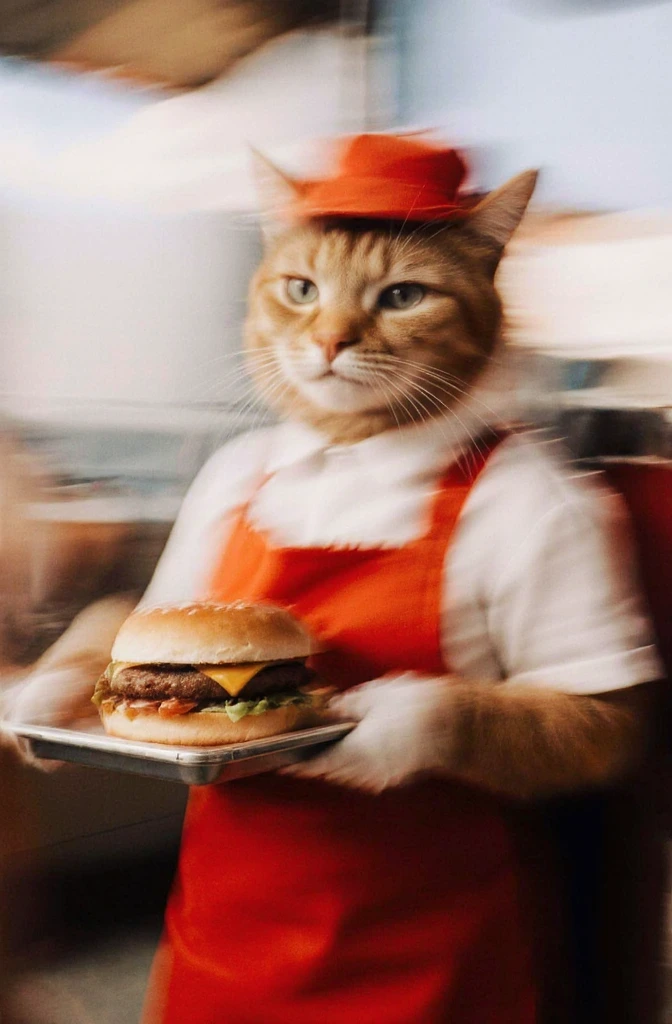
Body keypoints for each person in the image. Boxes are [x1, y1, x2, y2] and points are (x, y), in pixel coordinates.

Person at [6, 134, 661, 1023]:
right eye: (300, 288)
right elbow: (152, 629)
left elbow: (605, 730)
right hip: (224, 937)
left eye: (401, 296)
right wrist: (77, 677)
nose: (332, 337)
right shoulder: (242, 470)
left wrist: (446, 723)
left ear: (483, 292)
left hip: (421, 957)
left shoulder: (530, 498)